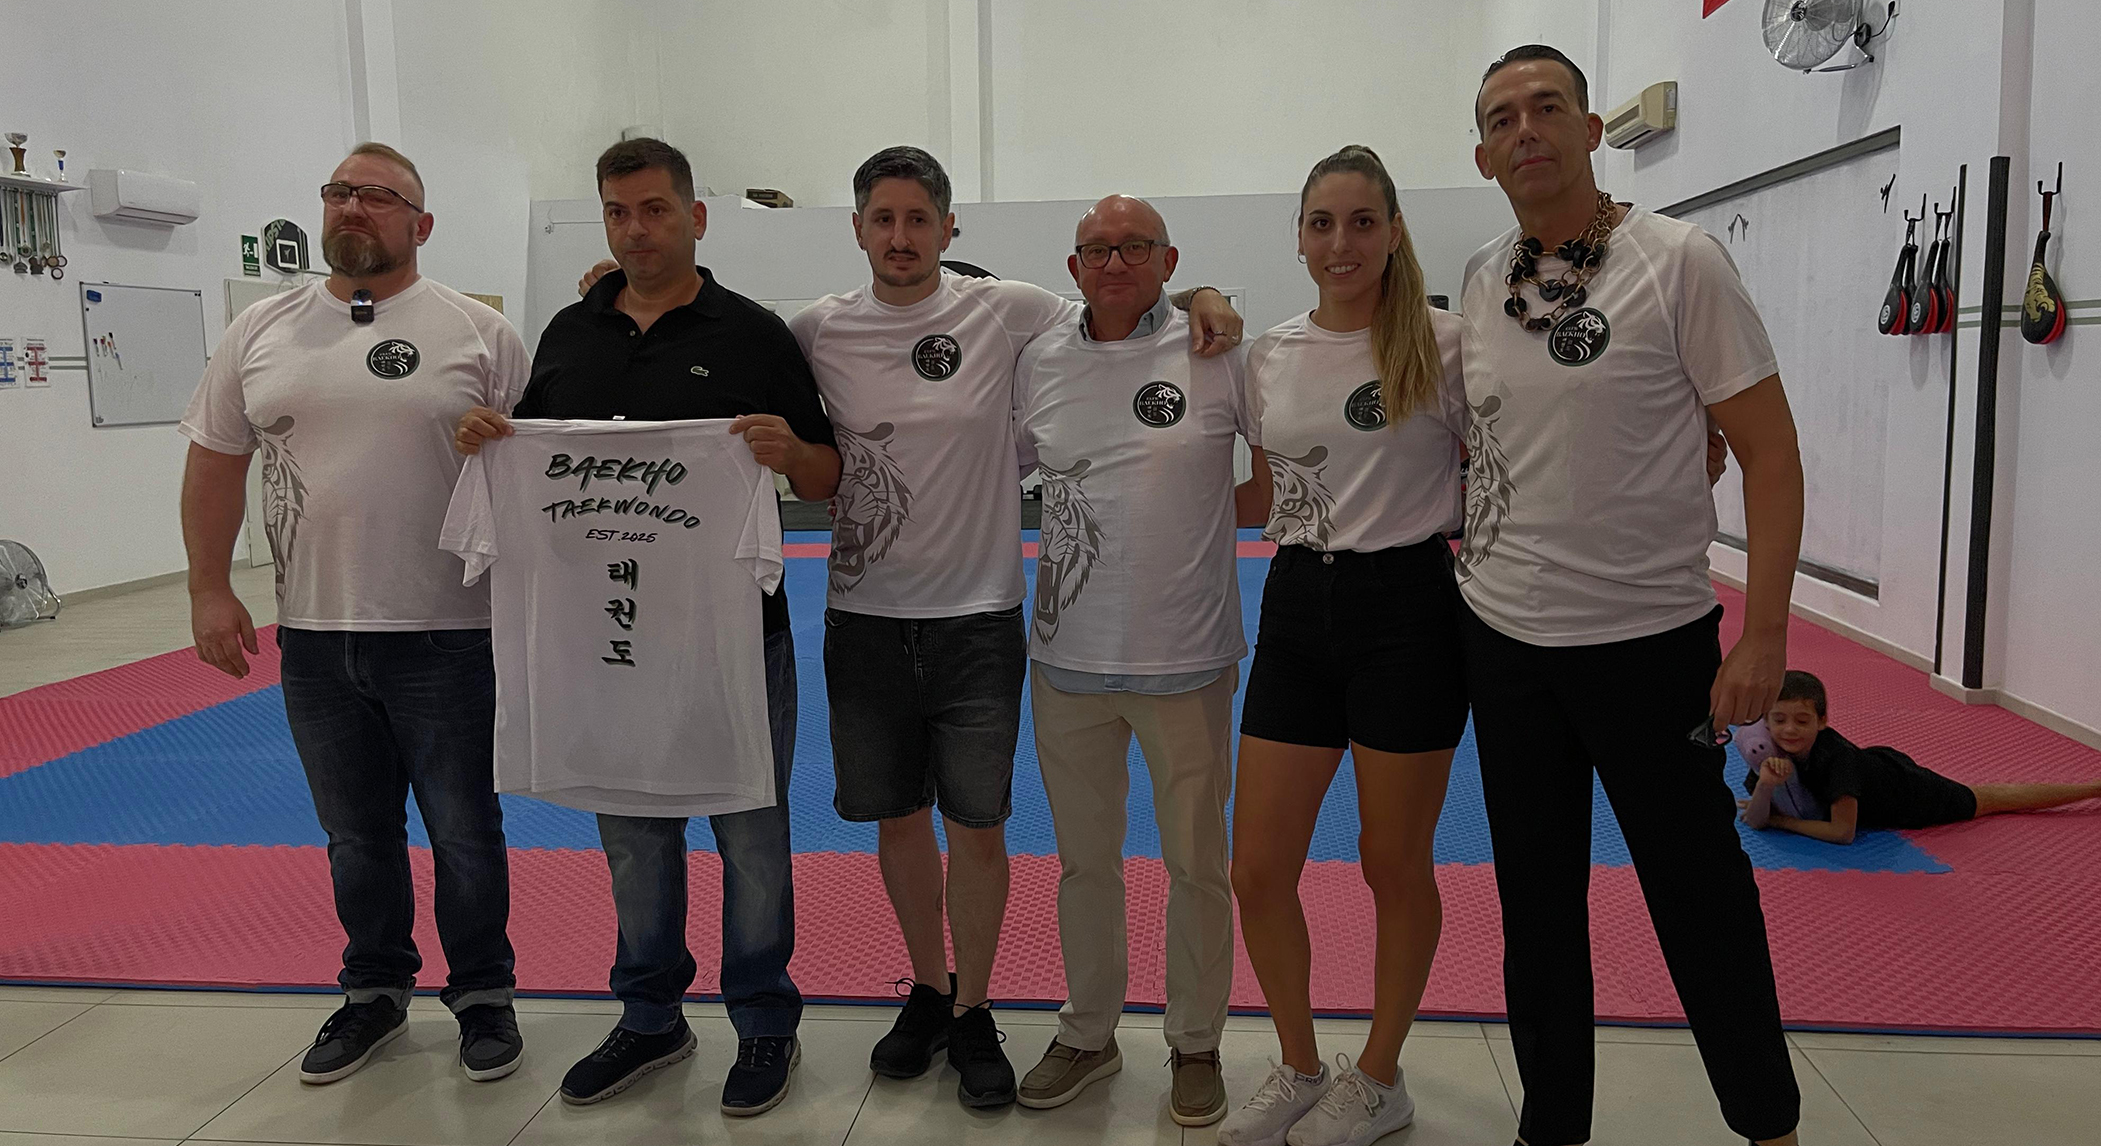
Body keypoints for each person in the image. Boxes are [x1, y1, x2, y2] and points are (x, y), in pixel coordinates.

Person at [787, 147, 1244, 1109]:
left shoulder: (1038, 320)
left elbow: (1140, 304)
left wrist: (1208, 292)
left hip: (1033, 627)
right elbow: (726, 346)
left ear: (951, 232)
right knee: (978, 839)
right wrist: (619, 286)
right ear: (860, 228)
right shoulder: (834, 330)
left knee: (1074, 841)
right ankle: (995, 1006)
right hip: (946, 632)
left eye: (920, 219)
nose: (901, 236)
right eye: (883, 218)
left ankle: (1116, 1031)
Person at [1460, 45, 1808, 1146]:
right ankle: (1551, 1126)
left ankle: (1768, 1121)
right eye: (1503, 117)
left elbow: (1770, 452)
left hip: (1652, 645)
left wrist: (1761, 635)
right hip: (1507, 643)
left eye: (1547, 107)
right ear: (1482, 154)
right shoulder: (1480, 279)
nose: (1527, 129)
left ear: (1590, 128)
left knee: (1699, 897)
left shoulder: (1679, 262)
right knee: (1537, 908)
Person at [453, 138, 839, 1115]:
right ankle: (652, 1015)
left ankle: (762, 1022)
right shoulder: (570, 335)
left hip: (731, 641)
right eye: (618, 212)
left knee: (753, 837)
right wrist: (491, 443)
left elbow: (827, 475)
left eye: (655, 209)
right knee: (633, 837)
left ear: (695, 217)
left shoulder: (753, 335)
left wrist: (791, 450)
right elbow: (536, 457)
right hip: (606, 639)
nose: (637, 229)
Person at [178, 143, 526, 1085]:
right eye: (339, 192)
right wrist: (211, 585)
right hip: (317, 634)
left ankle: (485, 996)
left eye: (378, 196)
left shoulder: (479, 335)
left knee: (463, 827)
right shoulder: (263, 329)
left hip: (451, 631)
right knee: (355, 835)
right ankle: (373, 991)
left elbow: (538, 471)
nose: (353, 208)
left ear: (421, 222)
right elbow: (215, 459)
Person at [1217, 146, 1469, 1146]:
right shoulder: (1265, 355)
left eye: (1361, 222)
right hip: (1295, 604)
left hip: (1408, 609)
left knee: (1391, 864)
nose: (1340, 242)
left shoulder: (1447, 344)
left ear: (1394, 231)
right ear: (1298, 235)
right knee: (1257, 867)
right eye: (1321, 222)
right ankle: (1297, 1060)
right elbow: (1261, 493)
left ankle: (1379, 1073)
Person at [1009, 195, 1245, 1125]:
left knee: (1197, 864)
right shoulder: (1039, 361)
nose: (1114, 262)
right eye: (1097, 249)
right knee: (1083, 863)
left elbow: (1269, 482)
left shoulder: (1216, 349)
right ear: (1072, 266)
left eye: (1134, 247)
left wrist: (1209, 295)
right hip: (1066, 658)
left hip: (1184, 657)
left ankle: (1195, 1042)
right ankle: (1089, 1030)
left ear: (1166, 258)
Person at [1742, 670, 2101, 842]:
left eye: (1802, 721)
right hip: (1879, 766)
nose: (1789, 730)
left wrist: (1782, 822)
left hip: (1912, 794)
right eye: (1779, 720)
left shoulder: (1838, 760)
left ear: (1822, 722)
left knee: (1992, 798)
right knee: (1991, 795)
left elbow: (1842, 832)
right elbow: (1755, 819)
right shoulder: (1768, 751)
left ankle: (2093, 788)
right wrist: (1765, 790)